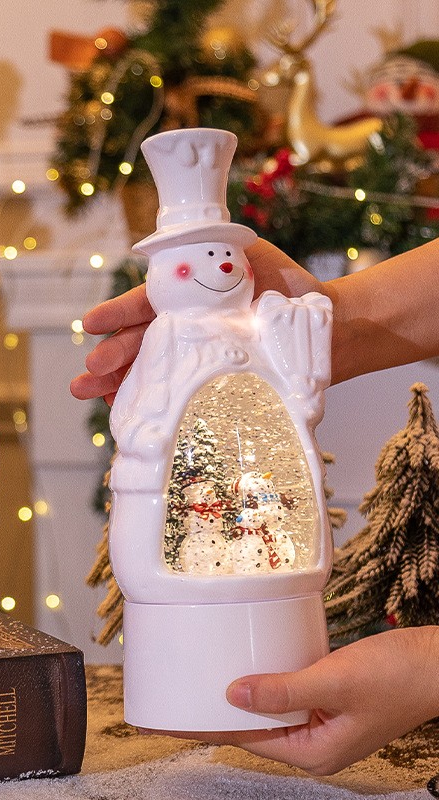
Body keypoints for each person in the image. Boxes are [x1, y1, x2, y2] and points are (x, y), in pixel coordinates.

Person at [70, 236, 439, 776]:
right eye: (196, 263)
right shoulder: (171, 340)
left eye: (227, 256)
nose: (222, 267)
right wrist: (338, 322)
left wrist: (428, 670)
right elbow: (137, 408)